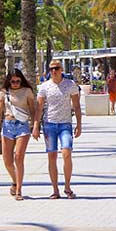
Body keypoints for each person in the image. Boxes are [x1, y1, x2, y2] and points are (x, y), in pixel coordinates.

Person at [34, 60, 82, 199]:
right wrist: (36, 125)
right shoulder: (44, 87)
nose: (53, 71)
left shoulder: (70, 85)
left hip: (65, 124)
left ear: (61, 69)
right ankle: (55, 190)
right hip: (49, 125)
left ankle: (67, 186)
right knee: (52, 156)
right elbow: (39, 107)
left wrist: (79, 124)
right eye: (51, 69)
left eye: (56, 68)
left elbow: (77, 106)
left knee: (67, 153)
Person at [0, 70, 36, 201]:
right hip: (7, 125)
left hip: (22, 126)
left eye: (17, 81)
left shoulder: (27, 91)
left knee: (18, 157)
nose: (15, 84)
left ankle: (19, 190)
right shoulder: (3, 93)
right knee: (7, 161)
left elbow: (32, 110)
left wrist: (35, 125)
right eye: (12, 81)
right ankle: (14, 181)